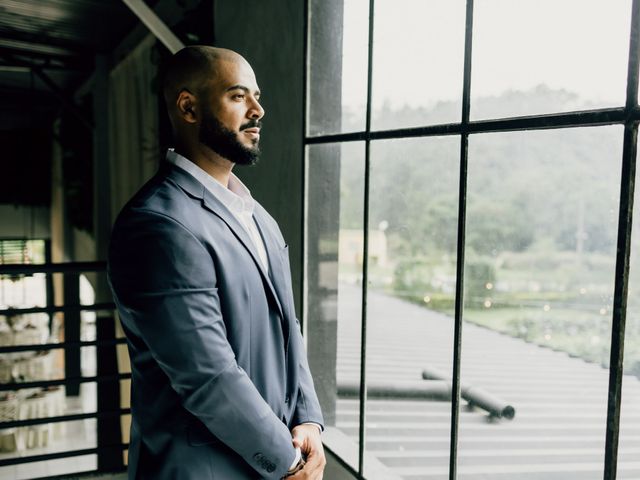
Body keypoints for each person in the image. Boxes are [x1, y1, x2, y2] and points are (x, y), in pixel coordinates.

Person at [108, 46, 325, 479]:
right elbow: (208, 377)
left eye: (256, 96)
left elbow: (288, 327)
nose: (258, 110)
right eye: (238, 96)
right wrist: (285, 461)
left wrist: (308, 420)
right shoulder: (156, 224)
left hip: (277, 457)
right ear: (188, 106)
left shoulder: (257, 216)